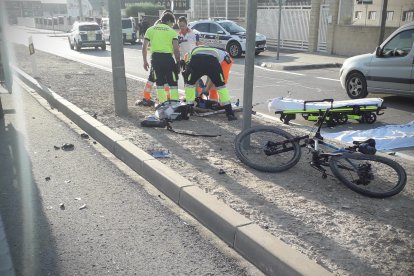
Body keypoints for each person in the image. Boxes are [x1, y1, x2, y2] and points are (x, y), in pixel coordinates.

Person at [182, 46, 237, 121]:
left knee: (190, 85)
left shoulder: (189, 56)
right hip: (212, 62)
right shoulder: (192, 52)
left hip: (224, 61)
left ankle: (188, 112)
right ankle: (230, 114)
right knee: (221, 86)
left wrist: (205, 89)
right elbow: (210, 74)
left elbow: (194, 77)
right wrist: (199, 92)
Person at [142, 12, 180, 106]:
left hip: (155, 58)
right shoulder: (172, 32)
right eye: (172, 23)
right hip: (167, 58)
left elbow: (144, 47)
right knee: (172, 81)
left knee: (159, 81)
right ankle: (175, 103)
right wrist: (178, 62)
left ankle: (162, 103)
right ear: (168, 21)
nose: (172, 26)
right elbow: (176, 49)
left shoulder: (150, 29)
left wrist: (145, 61)